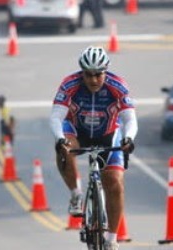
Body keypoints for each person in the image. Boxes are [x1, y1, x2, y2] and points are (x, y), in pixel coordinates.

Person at [49, 46, 137, 250]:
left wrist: (129, 138)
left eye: (98, 75)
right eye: (88, 75)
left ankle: (112, 238)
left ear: (106, 71)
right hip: (77, 131)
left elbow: (129, 118)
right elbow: (56, 116)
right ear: (82, 72)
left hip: (107, 135)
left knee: (114, 182)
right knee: (64, 147)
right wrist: (60, 138)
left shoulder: (118, 85)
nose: (93, 80)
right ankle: (76, 193)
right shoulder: (70, 84)